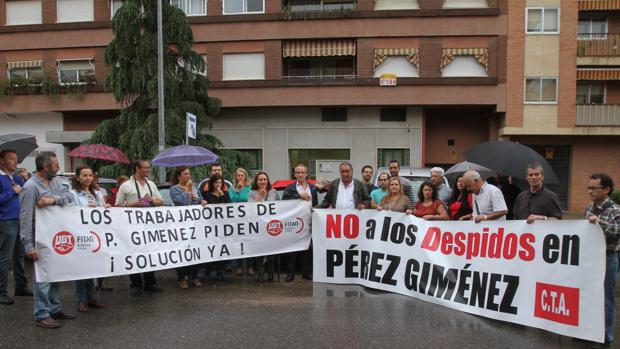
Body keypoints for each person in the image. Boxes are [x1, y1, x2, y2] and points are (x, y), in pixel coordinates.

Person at [19, 152, 75, 328]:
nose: (58, 168)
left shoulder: (55, 182)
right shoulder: (30, 188)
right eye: (56, 165)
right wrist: (28, 246)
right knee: (43, 278)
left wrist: (52, 199)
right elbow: (25, 218)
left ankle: (54, 308)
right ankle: (42, 314)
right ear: (46, 167)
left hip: (54, 236)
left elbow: (69, 197)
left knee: (54, 272)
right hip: (38, 237)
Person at [115, 160, 164, 296]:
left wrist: (153, 201)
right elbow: (117, 206)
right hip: (131, 226)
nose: (148, 170)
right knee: (133, 253)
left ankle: (150, 282)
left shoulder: (151, 184)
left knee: (149, 253)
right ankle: (135, 283)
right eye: (145, 168)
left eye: (149, 167)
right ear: (137, 168)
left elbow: (161, 201)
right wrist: (133, 204)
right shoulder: (125, 185)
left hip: (148, 225)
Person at [585, 173, 620, 347]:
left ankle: (606, 336)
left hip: (608, 258)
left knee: (607, 298)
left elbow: (616, 232)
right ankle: (588, 331)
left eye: (594, 188)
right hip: (590, 259)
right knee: (589, 295)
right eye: (589, 188)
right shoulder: (589, 207)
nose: (590, 191)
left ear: (606, 189)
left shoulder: (615, 210)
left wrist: (600, 223)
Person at [69, 166, 108, 313]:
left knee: (92, 267)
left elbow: (102, 210)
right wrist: (87, 211)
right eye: (84, 175)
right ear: (77, 177)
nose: (87, 178)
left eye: (90, 175)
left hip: (96, 234)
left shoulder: (97, 193)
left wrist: (105, 208)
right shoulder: (73, 194)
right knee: (80, 269)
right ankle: (80, 300)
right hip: (81, 234)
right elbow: (70, 213)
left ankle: (91, 298)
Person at [0, 150, 31, 306]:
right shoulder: (0, 178)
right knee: (4, 258)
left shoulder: (17, 177)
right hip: (5, 221)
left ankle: (21, 286)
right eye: (11, 159)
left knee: (19, 255)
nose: (15, 162)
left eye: (16, 159)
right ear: (1, 161)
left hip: (19, 219)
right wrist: (11, 191)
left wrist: (26, 179)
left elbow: (27, 193)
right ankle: (1, 291)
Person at [169, 166, 205, 289]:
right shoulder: (174, 189)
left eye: (189, 173)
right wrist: (187, 190)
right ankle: (181, 278)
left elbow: (199, 200)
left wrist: (202, 203)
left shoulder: (195, 187)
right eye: (185, 174)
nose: (188, 176)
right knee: (182, 250)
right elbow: (182, 203)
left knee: (194, 250)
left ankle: (194, 276)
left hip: (195, 223)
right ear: (179, 176)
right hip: (181, 225)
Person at [282, 164, 318, 282]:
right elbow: (284, 202)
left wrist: (315, 218)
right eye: (298, 172)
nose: (300, 175)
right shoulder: (289, 188)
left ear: (307, 174)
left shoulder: (312, 188)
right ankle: (290, 273)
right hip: (294, 222)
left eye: (303, 172)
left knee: (307, 248)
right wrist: (299, 196)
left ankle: (306, 272)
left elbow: (316, 205)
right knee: (292, 248)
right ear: (295, 174)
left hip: (308, 221)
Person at [248, 171, 278, 282]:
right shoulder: (251, 193)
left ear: (268, 181)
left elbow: (281, 207)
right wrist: (259, 196)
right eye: (260, 179)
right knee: (259, 250)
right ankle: (260, 273)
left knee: (271, 251)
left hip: (271, 226)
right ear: (256, 181)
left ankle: (270, 273)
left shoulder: (273, 192)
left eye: (265, 179)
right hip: (258, 226)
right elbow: (250, 208)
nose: (263, 181)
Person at [229, 168, 254, 277]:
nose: (240, 178)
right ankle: (238, 266)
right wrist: (237, 191)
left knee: (249, 242)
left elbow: (251, 201)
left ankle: (250, 266)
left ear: (245, 177)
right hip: (236, 221)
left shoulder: (250, 188)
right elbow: (231, 202)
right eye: (238, 176)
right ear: (236, 177)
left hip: (248, 219)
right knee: (237, 242)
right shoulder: (232, 188)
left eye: (242, 176)